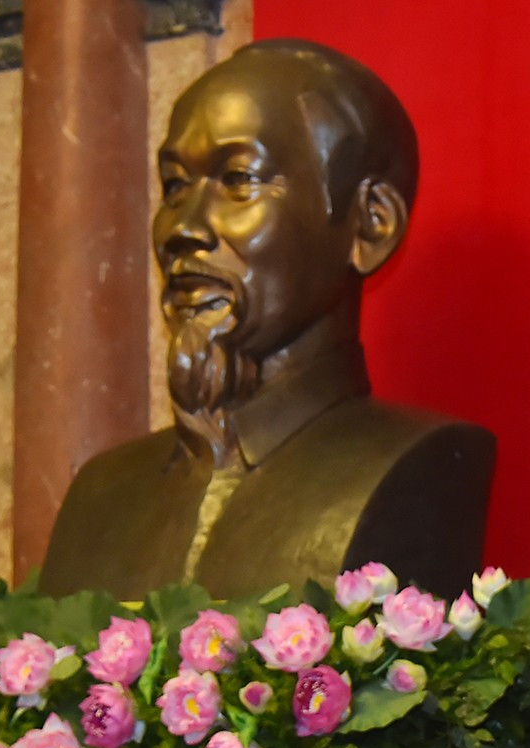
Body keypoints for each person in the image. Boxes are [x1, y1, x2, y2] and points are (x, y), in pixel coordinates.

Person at [40, 39, 493, 601]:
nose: (185, 227)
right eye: (176, 186)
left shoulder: (419, 466)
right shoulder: (101, 494)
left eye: (238, 180)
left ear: (369, 226)